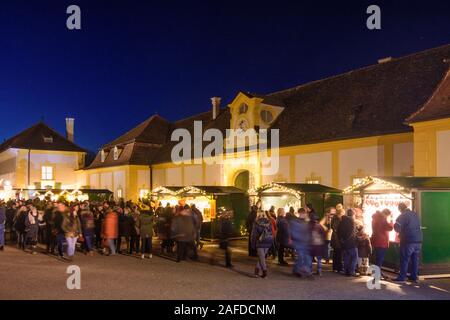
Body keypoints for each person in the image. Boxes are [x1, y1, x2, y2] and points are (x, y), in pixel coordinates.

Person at [393, 203, 423, 283]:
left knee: (404, 259)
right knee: (415, 260)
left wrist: (400, 234)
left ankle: (402, 277)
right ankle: (414, 277)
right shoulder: (414, 214)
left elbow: (397, 227)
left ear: (400, 209)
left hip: (408, 241)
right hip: (418, 241)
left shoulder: (402, 216)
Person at [289, 208, 313, 279]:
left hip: (305, 242)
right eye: (304, 213)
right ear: (300, 213)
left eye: (306, 213)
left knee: (305, 257)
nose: (305, 215)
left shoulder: (306, 222)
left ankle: (297, 270)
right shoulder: (295, 222)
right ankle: (305, 272)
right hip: (299, 243)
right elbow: (293, 233)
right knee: (302, 257)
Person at [371, 209, 394, 280]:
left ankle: (378, 273)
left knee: (377, 258)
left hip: (376, 240)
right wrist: (391, 220)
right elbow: (390, 228)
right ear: (386, 214)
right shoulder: (382, 218)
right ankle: (377, 275)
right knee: (379, 259)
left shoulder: (375, 217)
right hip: (382, 241)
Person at [250, 211, 274, 278]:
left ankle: (264, 272)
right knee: (261, 257)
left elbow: (254, 235)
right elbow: (272, 232)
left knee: (262, 257)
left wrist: (253, 244)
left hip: (260, 242)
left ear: (258, 215)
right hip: (268, 241)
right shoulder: (269, 222)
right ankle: (256, 272)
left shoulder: (256, 223)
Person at [338, 209, 358, 277]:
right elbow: (351, 233)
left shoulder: (342, 221)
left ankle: (346, 271)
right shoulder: (352, 222)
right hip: (351, 243)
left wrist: (341, 240)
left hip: (344, 243)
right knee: (354, 257)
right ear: (353, 214)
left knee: (346, 257)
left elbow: (338, 231)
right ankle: (351, 271)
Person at [331, 204, 344, 273]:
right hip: (338, 239)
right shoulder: (338, 219)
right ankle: (339, 267)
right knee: (339, 253)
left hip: (334, 238)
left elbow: (332, 227)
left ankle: (335, 267)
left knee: (336, 253)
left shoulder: (334, 218)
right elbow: (337, 229)